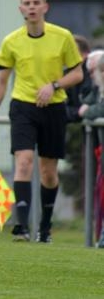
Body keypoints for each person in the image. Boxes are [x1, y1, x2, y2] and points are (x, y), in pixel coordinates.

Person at [0, 0, 83, 243]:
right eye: (27, 4)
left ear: (45, 7)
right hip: (23, 106)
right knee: (24, 161)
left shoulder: (63, 37)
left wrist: (54, 85)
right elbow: (2, 82)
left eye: (36, 3)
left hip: (54, 108)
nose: (32, 8)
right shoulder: (11, 42)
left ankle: (45, 228)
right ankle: (22, 227)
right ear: (21, 9)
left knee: (49, 171)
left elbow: (78, 73)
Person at [78, 51, 104, 247]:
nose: (92, 76)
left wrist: (90, 112)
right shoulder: (96, 92)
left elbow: (94, 111)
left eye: (94, 71)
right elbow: (86, 110)